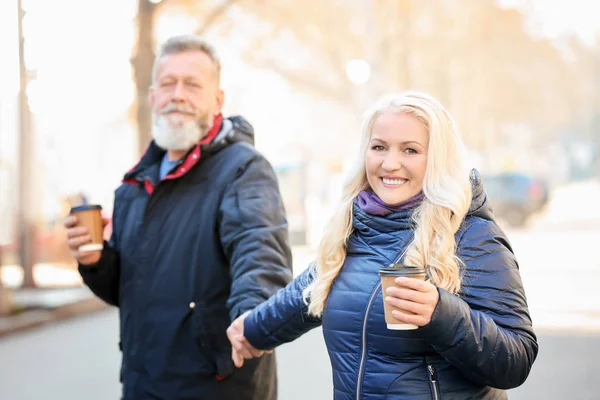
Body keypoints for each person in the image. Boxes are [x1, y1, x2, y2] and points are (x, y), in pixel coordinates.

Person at [227, 91, 538, 399]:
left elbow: (516, 359)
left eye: (410, 150)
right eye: (379, 147)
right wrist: (248, 331)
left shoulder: (470, 234)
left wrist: (442, 314)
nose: (390, 163)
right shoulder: (351, 229)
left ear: (438, 159)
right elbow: (302, 297)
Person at [63, 35, 292, 400]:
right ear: (153, 96)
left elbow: (259, 250)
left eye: (192, 84)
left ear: (217, 99)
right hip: (142, 384)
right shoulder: (133, 187)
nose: (178, 94)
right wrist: (95, 261)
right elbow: (129, 288)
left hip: (217, 386)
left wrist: (254, 315)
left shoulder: (244, 169)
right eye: (168, 83)